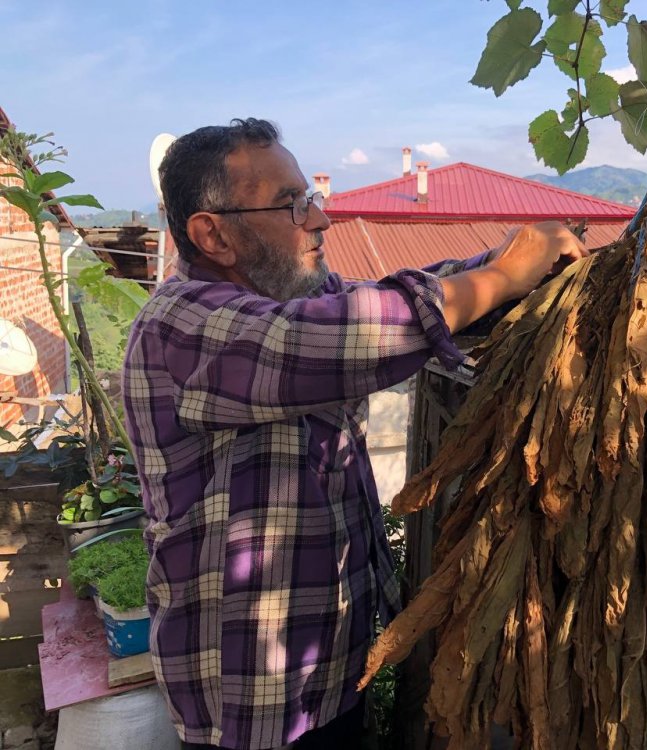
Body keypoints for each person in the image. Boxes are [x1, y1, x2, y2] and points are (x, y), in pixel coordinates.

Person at [121, 118, 586, 750]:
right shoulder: (182, 323)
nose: (320, 219)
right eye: (291, 204)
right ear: (213, 234)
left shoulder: (288, 295)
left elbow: (391, 295)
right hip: (253, 703)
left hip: (329, 670)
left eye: (310, 198)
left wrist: (501, 263)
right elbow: (355, 333)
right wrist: (504, 276)